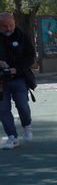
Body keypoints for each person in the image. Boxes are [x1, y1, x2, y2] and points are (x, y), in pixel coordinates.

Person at [0, 12, 36, 149]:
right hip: (1, 81)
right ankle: (12, 137)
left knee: (23, 106)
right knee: (3, 109)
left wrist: (17, 69)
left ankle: (27, 126)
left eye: (11, 25)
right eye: (4, 26)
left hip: (19, 78)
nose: (8, 28)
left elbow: (30, 57)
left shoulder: (22, 37)